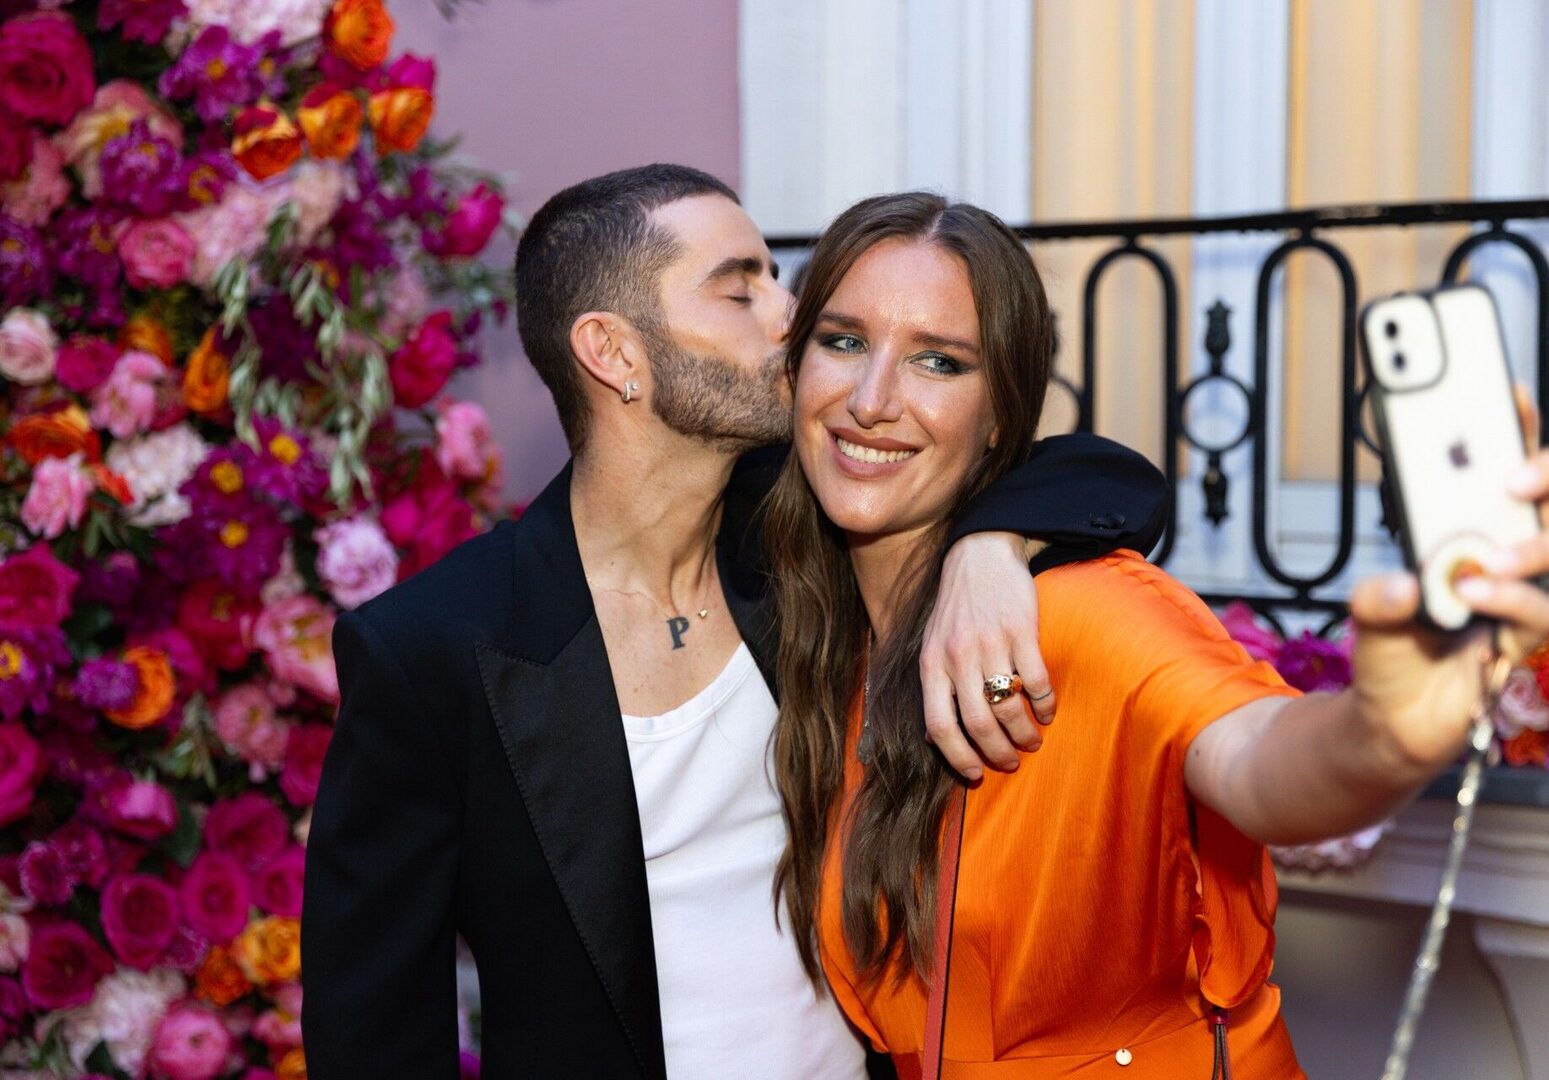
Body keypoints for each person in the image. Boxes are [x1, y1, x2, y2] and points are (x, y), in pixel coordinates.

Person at [302, 166, 1171, 1080]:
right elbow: (375, 1036)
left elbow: (1111, 477)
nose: (793, 315)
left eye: (776, 277)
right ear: (614, 352)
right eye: (740, 288)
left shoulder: (799, 538)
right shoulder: (434, 650)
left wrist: (988, 547)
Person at [766, 192, 1549, 1079]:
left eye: (938, 361)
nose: (871, 399)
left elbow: (1258, 760)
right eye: (843, 342)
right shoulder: (815, 632)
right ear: (793, 368)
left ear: (1000, 417)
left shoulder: (1084, 613)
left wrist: (1385, 730)